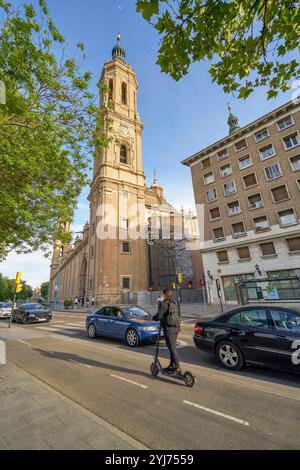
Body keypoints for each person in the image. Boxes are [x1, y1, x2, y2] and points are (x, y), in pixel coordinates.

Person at [153, 288, 181, 374]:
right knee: (172, 348)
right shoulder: (174, 302)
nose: (162, 295)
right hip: (176, 328)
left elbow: (159, 316)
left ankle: (177, 368)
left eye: (162, 294)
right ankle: (172, 365)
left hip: (169, 329)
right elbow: (179, 314)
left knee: (172, 349)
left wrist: (153, 318)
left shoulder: (163, 303)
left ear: (164, 295)